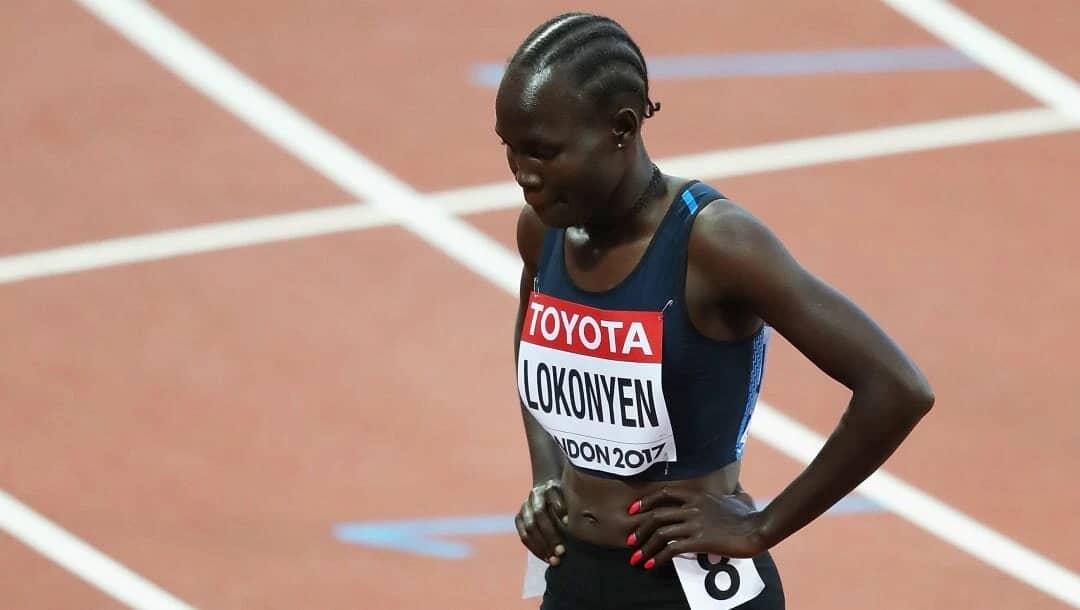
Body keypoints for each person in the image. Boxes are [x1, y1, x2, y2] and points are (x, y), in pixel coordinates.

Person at [502, 12, 935, 610]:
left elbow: (897, 388)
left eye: (543, 152)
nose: (523, 174)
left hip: (688, 587)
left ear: (621, 128)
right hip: (574, 574)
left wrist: (762, 527)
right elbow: (534, 344)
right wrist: (547, 474)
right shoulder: (544, 230)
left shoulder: (714, 242)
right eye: (510, 149)